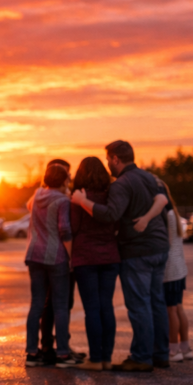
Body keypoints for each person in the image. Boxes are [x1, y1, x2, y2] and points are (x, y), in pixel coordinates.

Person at [71, 140, 170, 372]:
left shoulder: (121, 184)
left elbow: (110, 215)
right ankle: (160, 354)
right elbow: (162, 200)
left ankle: (142, 357)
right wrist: (147, 219)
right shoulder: (148, 177)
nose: (108, 165)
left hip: (137, 250)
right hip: (159, 246)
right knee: (157, 302)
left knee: (139, 304)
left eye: (108, 160)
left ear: (116, 158)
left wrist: (83, 201)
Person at [25, 163, 80, 367]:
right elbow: (64, 230)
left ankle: (32, 353)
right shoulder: (62, 201)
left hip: (33, 254)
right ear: (65, 180)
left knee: (36, 304)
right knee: (60, 305)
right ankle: (63, 353)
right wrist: (72, 257)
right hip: (55, 256)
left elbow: (28, 206)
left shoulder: (37, 195)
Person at [68, 157, 120, 371]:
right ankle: (107, 358)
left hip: (85, 257)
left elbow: (72, 228)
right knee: (106, 306)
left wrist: (70, 259)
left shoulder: (78, 198)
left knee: (92, 309)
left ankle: (96, 359)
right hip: (110, 255)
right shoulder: (112, 196)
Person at [134, 179, 192, 362]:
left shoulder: (163, 214)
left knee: (170, 311)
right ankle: (185, 347)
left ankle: (173, 350)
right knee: (179, 308)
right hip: (179, 268)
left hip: (169, 270)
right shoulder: (173, 212)